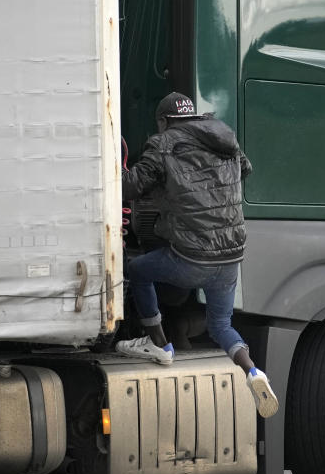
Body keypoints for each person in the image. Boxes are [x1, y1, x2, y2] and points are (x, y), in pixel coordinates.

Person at [116, 92, 278, 418]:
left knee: (138, 271)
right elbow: (245, 169)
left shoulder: (162, 144)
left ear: (164, 121)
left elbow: (131, 186)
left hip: (193, 256)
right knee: (220, 325)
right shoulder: (224, 137)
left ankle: (159, 345)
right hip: (230, 255)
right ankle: (252, 372)